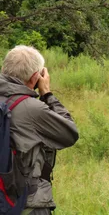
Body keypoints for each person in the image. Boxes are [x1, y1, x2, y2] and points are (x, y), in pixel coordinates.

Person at [0, 45, 79, 214]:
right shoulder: (32, 108)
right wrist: (47, 94)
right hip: (26, 201)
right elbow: (70, 134)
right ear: (36, 77)